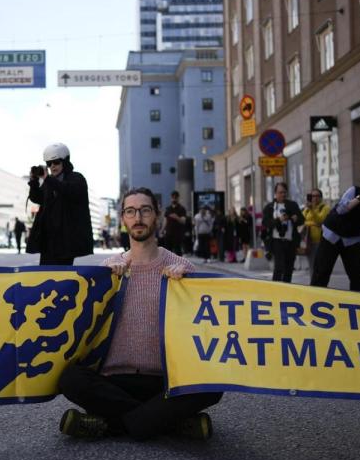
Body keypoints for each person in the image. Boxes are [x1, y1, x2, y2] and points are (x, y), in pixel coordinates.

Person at [57, 187, 222, 440]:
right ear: (123, 218)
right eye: (131, 211)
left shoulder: (183, 268)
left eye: (145, 210)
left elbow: (207, 327)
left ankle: (109, 425)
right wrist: (104, 283)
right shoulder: (106, 270)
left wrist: (189, 286)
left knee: (213, 384)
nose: (138, 217)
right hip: (114, 380)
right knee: (70, 379)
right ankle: (168, 423)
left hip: (165, 380)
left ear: (157, 215)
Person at [310, 174, 360, 292]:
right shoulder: (354, 191)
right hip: (332, 234)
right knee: (321, 271)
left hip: (352, 239)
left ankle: (356, 300)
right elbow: (341, 209)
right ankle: (315, 297)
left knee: (359, 275)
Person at [26, 143, 93, 266]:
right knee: (44, 274)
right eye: (49, 163)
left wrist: (48, 179)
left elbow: (68, 190)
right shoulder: (49, 182)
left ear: (65, 162)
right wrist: (33, 181)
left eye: (56, 162)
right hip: (48, 239)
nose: (52, 166)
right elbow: (37, 198)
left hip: (66, 240)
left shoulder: (76, 178)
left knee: (62, 274)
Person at [262, 182, 304, 283]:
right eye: (280, 192)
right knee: (279, 267)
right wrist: (279, 220)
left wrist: (296, 219)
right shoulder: (270, 207)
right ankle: (275, 288)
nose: (283, 195)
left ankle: (286, 287)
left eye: (284, 192)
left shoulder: (292, 205)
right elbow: (266, 223)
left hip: (290, 241)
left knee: (289, 268)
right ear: (275, 193)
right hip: (276, 241)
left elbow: (302, 220)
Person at [302, 189, 330, 271]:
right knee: (312, 266)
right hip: (309, 242)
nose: (315, 198)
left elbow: (320, 220)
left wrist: (312, 210)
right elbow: (302, 221)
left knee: (321, 266)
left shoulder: (325, 208)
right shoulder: (307, 209)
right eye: (313, 196)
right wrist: (313, 224)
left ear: (321, 197)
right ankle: (313, 279)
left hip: (321, 241)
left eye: (317, 196)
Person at [162, 191, 188, 256]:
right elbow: (165, 221)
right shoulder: (168, 209)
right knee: (167, 252)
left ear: (178, 198)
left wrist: (176, 217)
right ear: (171, 198)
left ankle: (179, 262)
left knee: (178, 251)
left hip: (177, 234)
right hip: (168, 233)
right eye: (173, 197)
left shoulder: (182, 209)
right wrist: (162, 230)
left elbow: (183, 221)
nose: (174, 199)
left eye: (175, 198)